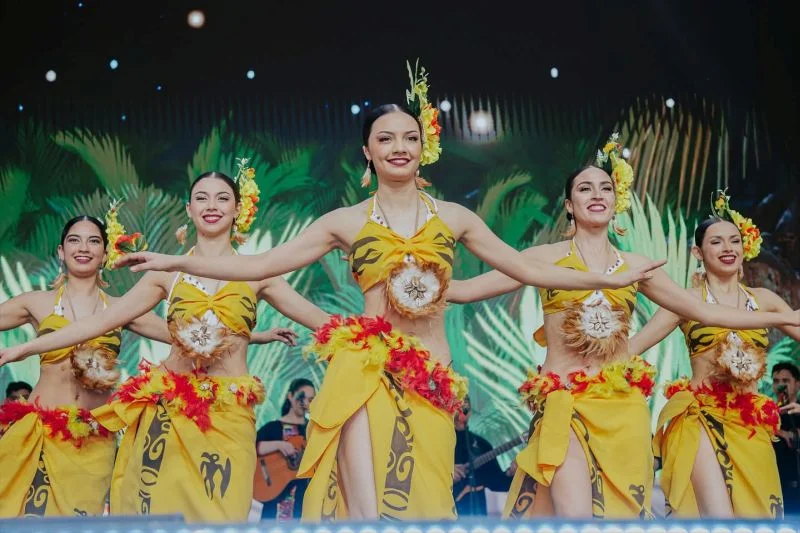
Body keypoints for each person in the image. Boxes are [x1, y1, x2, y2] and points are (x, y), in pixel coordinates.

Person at [100, 63, 665, 521]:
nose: (399, 146)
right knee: (364, 487)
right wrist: (176, 258)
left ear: (425, 148)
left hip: (433, 370)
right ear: (367, 153)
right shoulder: (343, 220)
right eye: (384, 138)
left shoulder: (456, 218)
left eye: (410, 137)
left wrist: (603, 278)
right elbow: (267, 263)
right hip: (367, 363)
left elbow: (527, 269)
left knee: (429, 495)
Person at [447, 139, 800, 519]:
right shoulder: (542, 258)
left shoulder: (637, 265)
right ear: (569, 205)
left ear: (616, 202)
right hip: (565, 402)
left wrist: (780, 318)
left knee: (621, 517)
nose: (597, 195)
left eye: (605, 188)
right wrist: (421, 277)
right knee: (573, 514)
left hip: (623, 410)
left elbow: (703, 311)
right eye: (585, 188)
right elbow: (467, 291)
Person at [0, 164, 329, 522]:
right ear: (189, 209)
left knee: (226, 511)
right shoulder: (165, 273)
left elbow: (320, 320)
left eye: (222, 198)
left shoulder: (260, 273)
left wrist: (387, 336)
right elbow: (102, 322)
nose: (211, 205)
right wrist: (26, 348)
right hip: (169, 411)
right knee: (162, 514)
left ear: (239, 209)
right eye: (201, 198)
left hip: (230, 413)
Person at [629, 191, 800, 518]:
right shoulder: (685, 301)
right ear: (698, 251)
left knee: (758, 519)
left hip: (750, 422)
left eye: (734, 241)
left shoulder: (765, 300)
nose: (728, 249)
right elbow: (633, 347)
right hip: (700, 416)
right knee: (717, 518)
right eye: (717, 242)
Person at [0, 214, 173, 517]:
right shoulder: (36, 303)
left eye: (94, 241)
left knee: (82, 522)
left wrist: (254, 336)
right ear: (60, 251)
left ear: (105, 254)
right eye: (74, 240)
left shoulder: (122, 308)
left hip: (93, 440)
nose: (83, 248)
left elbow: (182, 338)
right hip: (41, 433)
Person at [255, 378, 315, 521]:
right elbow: (253, 448)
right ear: (290, 396)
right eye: (301, 397)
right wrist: (279, 445)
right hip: (273, 499)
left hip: (301, 504)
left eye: (311, 399)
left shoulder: (313, 431)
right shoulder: (273, 427)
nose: (305, 402)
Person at [452, 395, 517, 517]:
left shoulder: (481, 444)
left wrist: (511, 473)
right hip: (445, 515)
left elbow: (496, 482)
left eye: (465, 407)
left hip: (477, 515)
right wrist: (446, 473)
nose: (462, 411)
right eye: (457, 406)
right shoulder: (438, 442)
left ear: (470, 412)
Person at [772, 362, 800, 515]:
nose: (780, 385)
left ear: (797, 384)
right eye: (776, 381)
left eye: (785, 381)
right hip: (778, 488)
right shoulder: (768, 412)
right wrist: (779, 432)